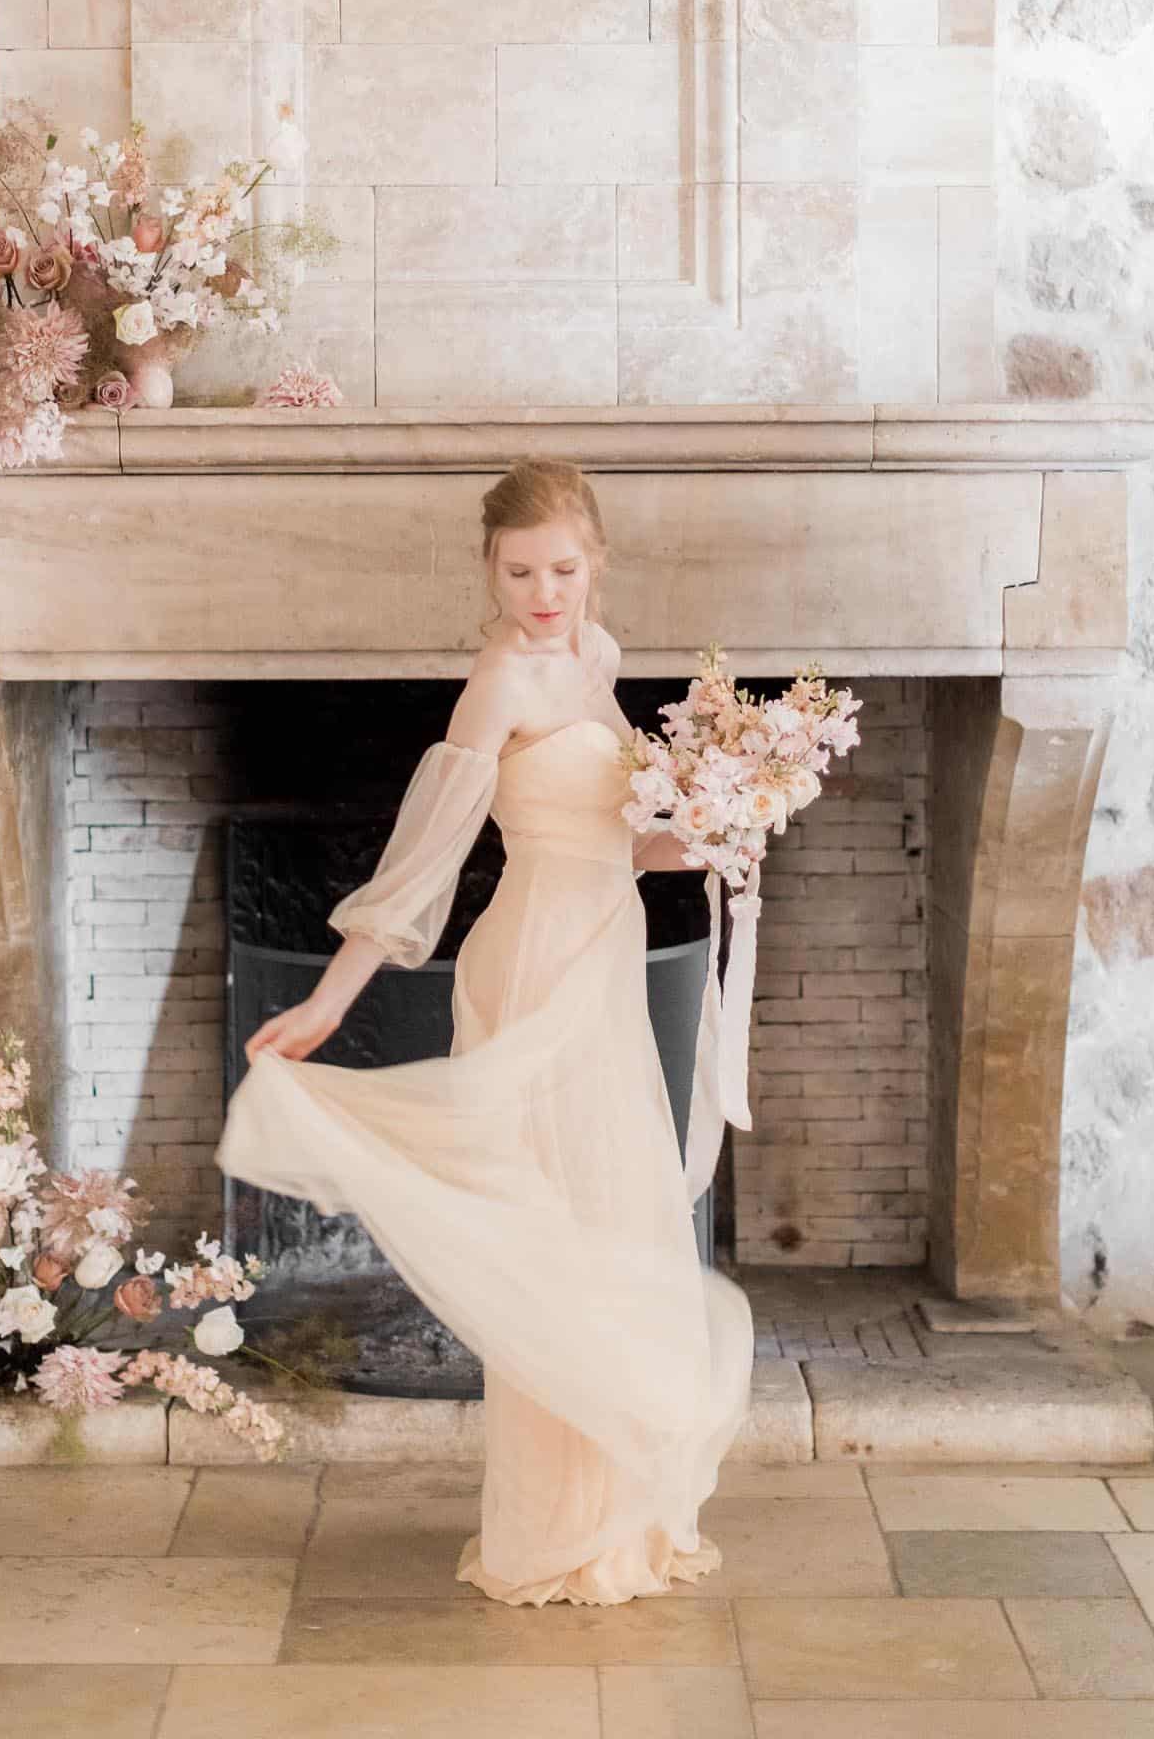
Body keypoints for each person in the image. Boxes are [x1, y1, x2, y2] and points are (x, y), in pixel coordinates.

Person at [216, 455, 754, 1607]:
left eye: (561, 568)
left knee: (612, 1217)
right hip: (532, 964)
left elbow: (621, 840)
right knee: (553, 1232)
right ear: (490, 571)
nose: (542, 592)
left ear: (596, 562)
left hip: (600, 954)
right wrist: (328, 997)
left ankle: (616, 1518)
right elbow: (429, 858)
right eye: (519, 572)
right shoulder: (499, 682)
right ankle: (555, 1531)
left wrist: (719, 828)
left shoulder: (598, 659)